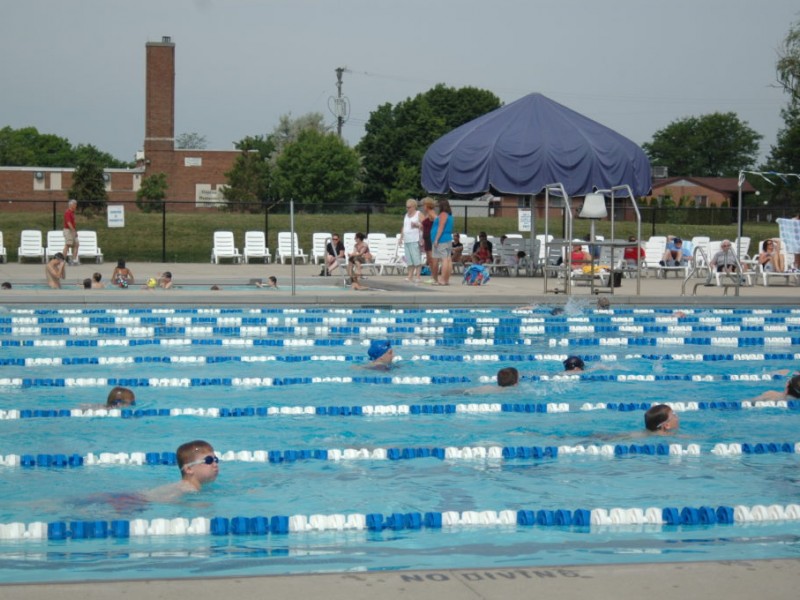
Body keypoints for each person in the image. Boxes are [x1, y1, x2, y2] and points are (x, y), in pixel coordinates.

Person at [141, 440, 220, 503]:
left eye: (216, 460)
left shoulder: (189, 487)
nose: (215, 464)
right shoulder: (186, 490)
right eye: (208, 461)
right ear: (189, 469)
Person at [399, 199, 423, 283]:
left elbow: (425, 225)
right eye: (406, 207)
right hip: (407, 239)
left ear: (413, 207)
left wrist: (417, 225)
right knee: (409, 259)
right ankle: (410, 276)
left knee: (416, 258)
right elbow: (404, 226)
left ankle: (418, 276)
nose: (407, 209)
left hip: (414, 239)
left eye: (409, 207)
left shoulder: (418, 214)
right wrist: (401, 237)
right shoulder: (406, 215)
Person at [431, 197, 454, 285]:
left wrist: (436, 239)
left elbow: (441, 227)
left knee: (444, 260)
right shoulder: (449, 215)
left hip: (442, 239)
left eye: (438, 205)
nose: (437, 207)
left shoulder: (443, 214)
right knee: (448, 259)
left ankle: (442, 279)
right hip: (447, 238)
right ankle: (446, 279)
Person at [62, 199, 80, 265]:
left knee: (76, 244)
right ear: (71, 205)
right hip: (68, 230)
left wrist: (75, 231)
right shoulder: (68, 212)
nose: (76, 206)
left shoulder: (72, 213)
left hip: (72, 230)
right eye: (75, 205)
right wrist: (73, 231)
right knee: (68, 244)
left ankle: (74, 259)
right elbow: (68, 223)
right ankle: (63, 260)